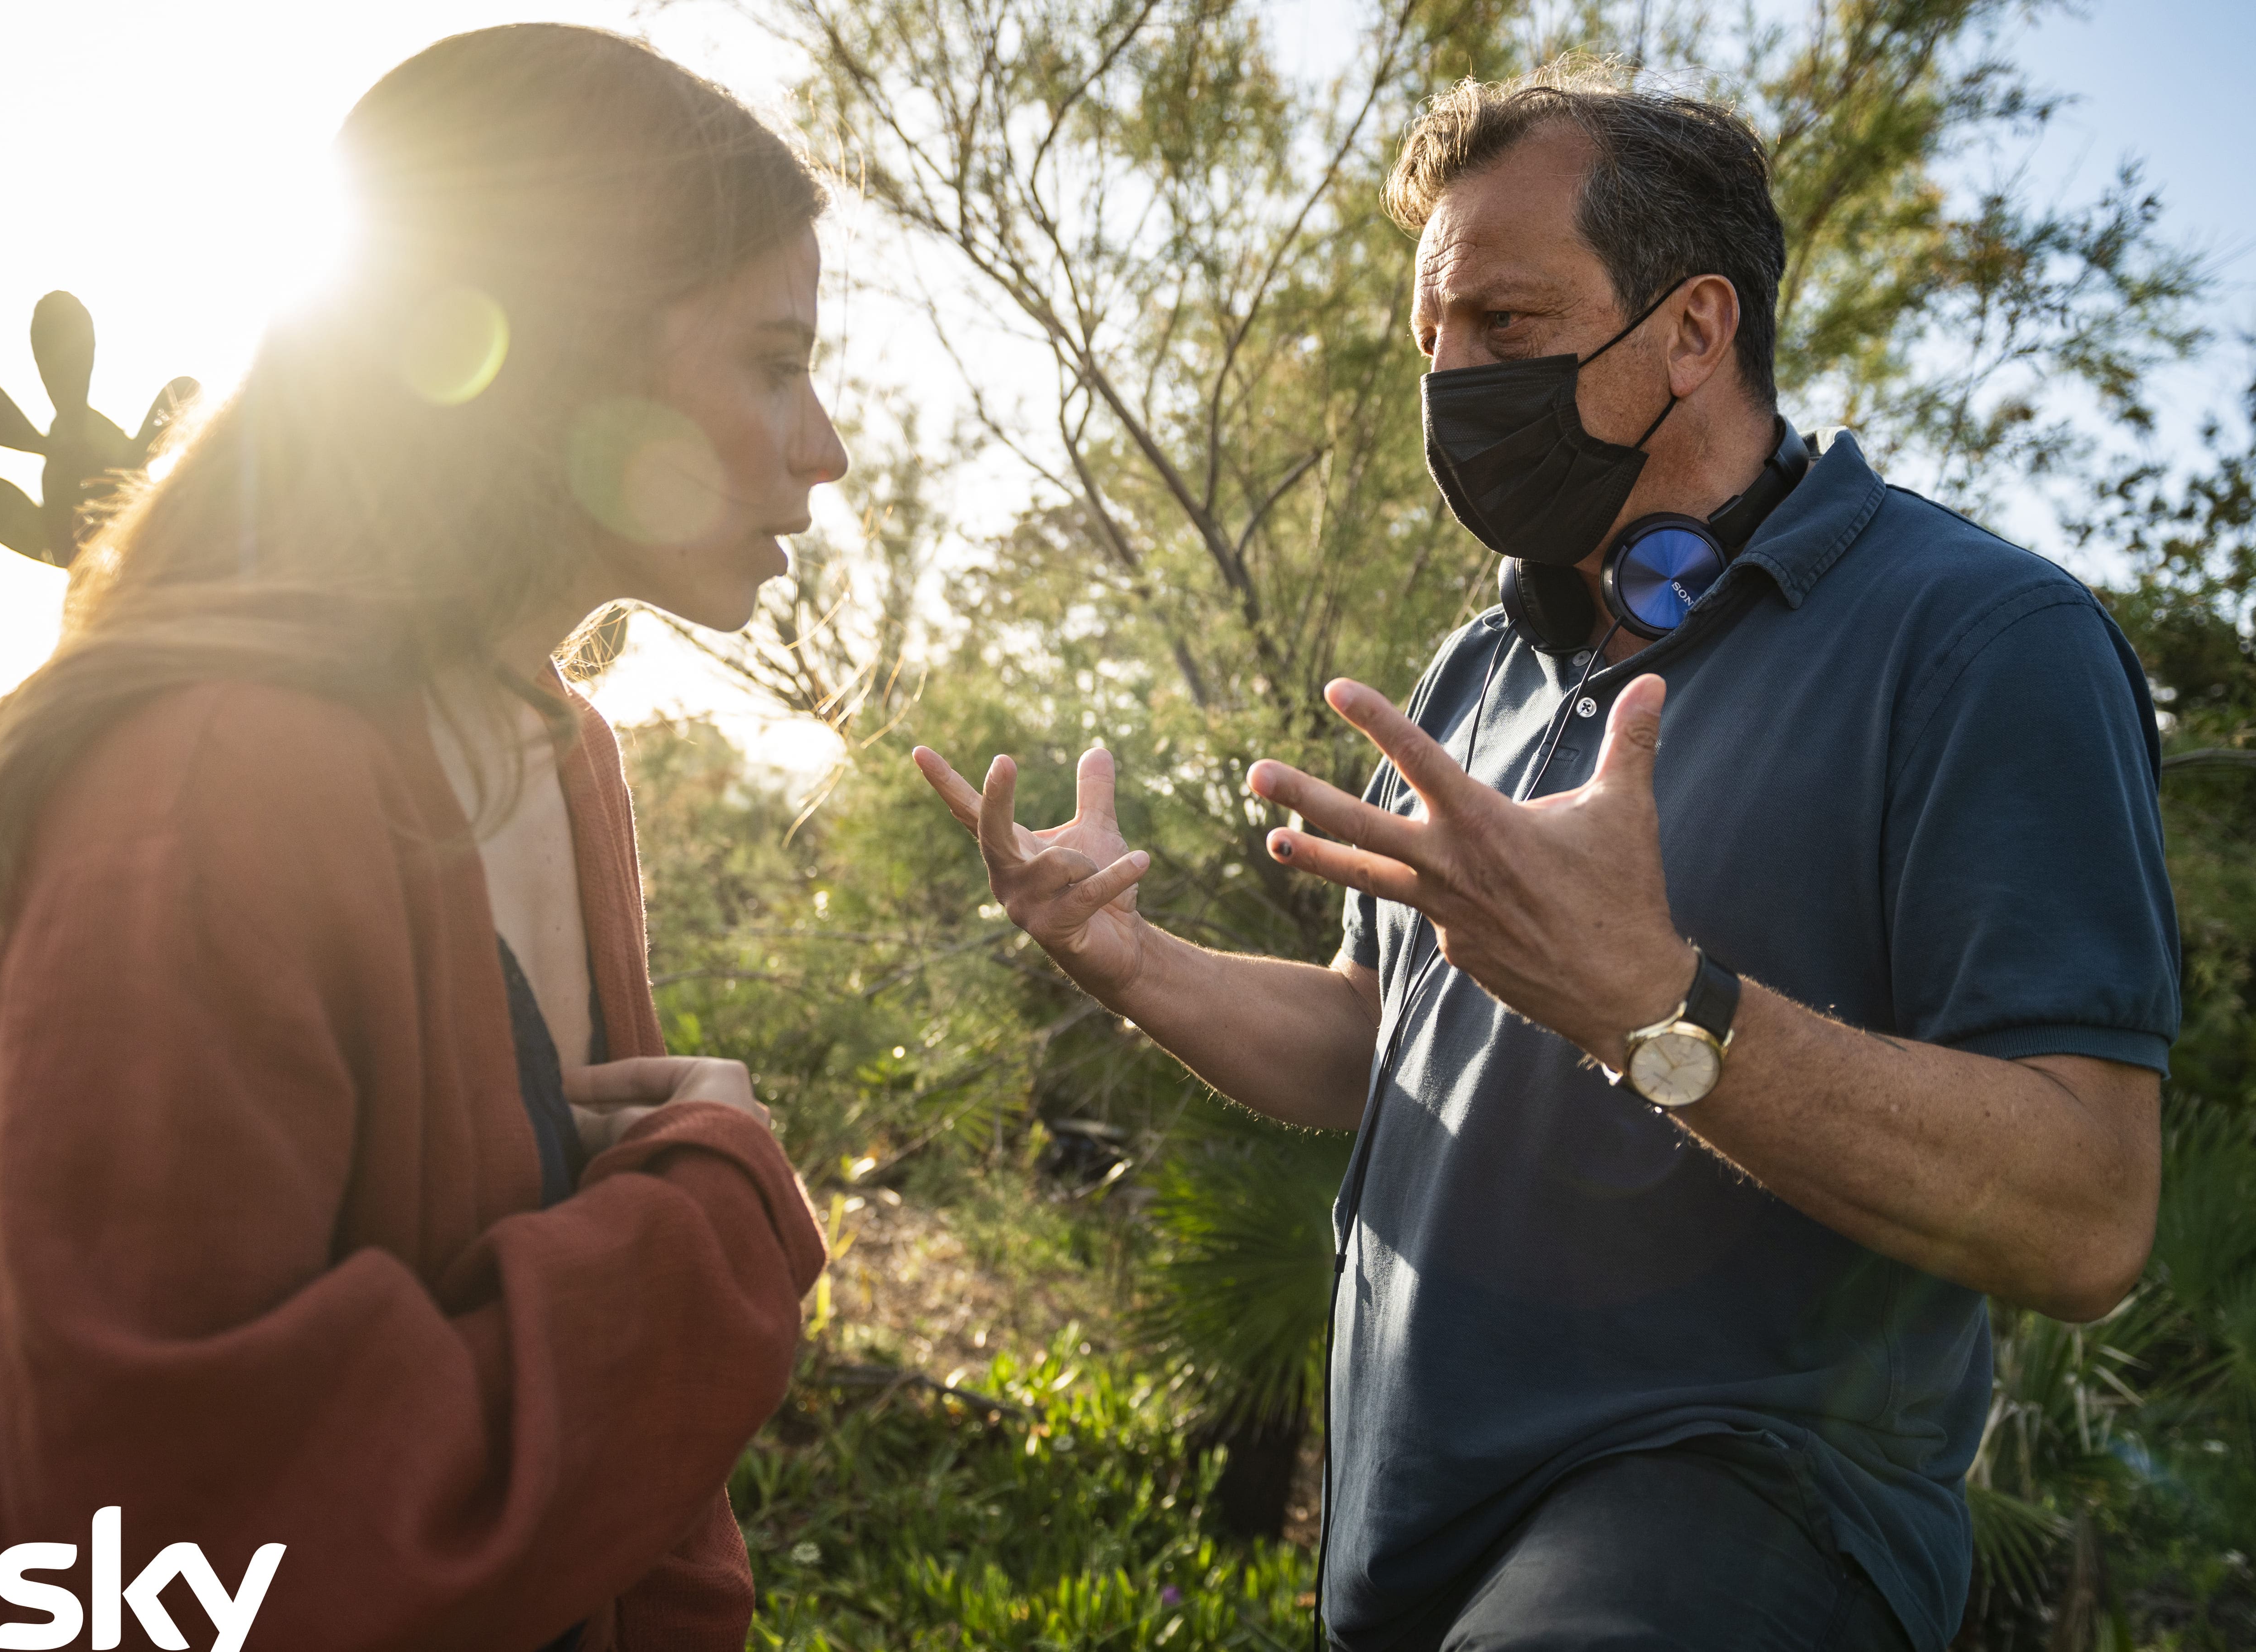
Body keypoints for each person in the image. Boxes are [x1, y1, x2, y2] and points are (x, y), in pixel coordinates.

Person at [915, 59, 2179, 1652]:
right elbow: (1372, 1040)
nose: (1452, 379)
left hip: (1742, 1518)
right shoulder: (1480, 666)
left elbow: (2086, 1212)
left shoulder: (1988, 641)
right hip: (1412, 1544)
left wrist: (1655, 1004)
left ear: (1695, 329)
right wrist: (1127, 958)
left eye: (1505, 325)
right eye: (1432, 337)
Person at [0, 25, 845, 1650]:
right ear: (566, 355)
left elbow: (645, 1515)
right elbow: (146, 1552)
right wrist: (709, 1223)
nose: (827, 444)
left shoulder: (565, 754)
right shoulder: (213, 788)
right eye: (773, 361)